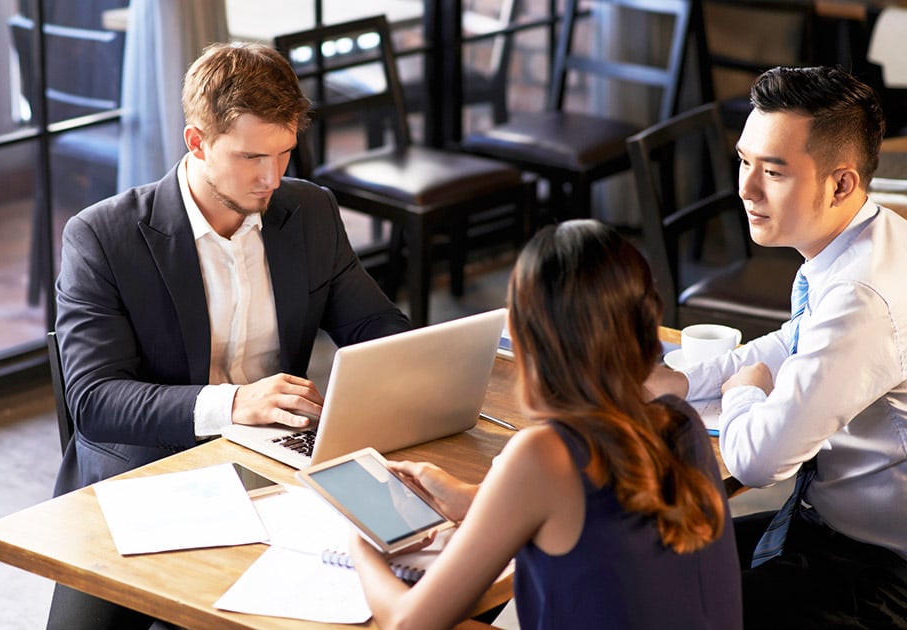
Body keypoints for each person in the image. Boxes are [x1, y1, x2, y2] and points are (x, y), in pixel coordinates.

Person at [46, 42, 410, 628]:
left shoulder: (309, 212)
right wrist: (237, 403)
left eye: (285, 153)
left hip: (277, 467)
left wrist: (409, 367)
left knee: (418, 570)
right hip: (148, 478)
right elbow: (94, 400)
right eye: (249, 158)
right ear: (197, 142)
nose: (271, 177)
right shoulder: (103, 237)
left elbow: (373, 327)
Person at [349, 220, 742, 629]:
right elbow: (593, 522)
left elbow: (407, 624)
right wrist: (474, 500)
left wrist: (361, 544)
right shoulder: (680, 421)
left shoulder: (543, 454)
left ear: (522, 336)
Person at [647, 66, 907, 628]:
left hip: (877, 572)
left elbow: (757, 459)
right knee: (653, 555)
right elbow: (791, 343)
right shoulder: (863, 237)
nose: (745, 187)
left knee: (668, 603)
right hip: (825, 528)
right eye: (744, 160)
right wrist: (684, 382)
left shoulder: (860, 298)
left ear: (841, 183)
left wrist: (742, 395)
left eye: (774, 171)